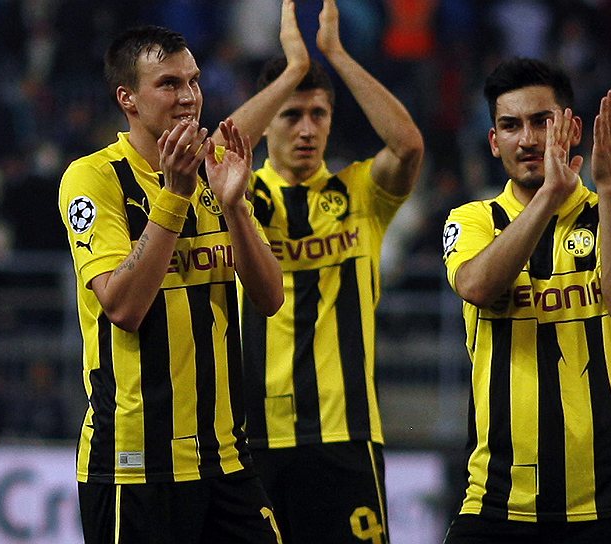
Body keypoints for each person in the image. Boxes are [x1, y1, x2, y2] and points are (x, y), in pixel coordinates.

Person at [57, 24, 285, 544]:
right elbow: (122, 308)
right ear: (128, 98)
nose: (188, 97)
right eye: (168, 84)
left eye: (193, 81)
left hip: (225, 457)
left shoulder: (216, 171)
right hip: (136, 463)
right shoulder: (94, 178)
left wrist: (234, 207)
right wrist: (174, 194)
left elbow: (270, 296)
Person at [219, 1, 424, 542]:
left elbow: (408, 146)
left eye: (319, 114)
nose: (307, 129)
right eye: (291, 115)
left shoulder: (360, 191)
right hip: (252, 437)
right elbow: (209, 158)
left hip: (345, 433)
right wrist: (292, 71)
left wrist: (336, 55)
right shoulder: (239, 195)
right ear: (267, 122)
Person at [441, 57, 611, 543]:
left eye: (542, 122)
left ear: (573, 129)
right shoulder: (473, 219)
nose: (527, 139)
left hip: (609, 500)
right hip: (497, 498)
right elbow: (477, 287)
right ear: (493, 141)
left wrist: (609, 184)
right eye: (510, 126)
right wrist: (549, 197)